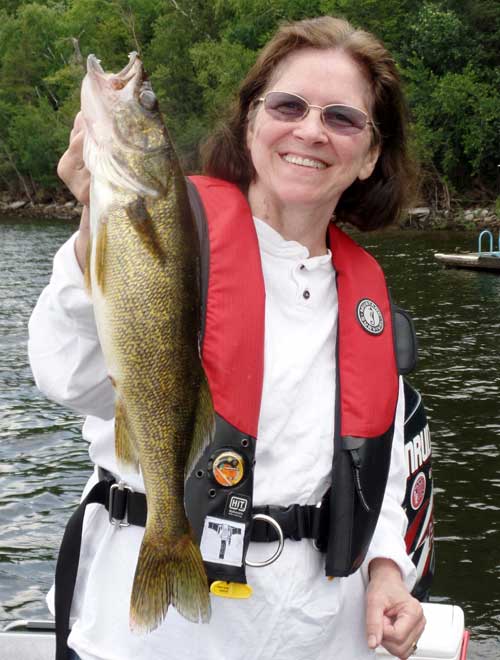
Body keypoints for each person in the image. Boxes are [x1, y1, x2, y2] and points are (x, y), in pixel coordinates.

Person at [29, 15, 426, 660]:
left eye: (343, 118)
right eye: (288, 105)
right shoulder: (170, 235)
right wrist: (92, 227)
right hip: (149, 640)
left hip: (319, 635)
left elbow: (371, 472)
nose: (310, 131)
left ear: (371, 157)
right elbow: (65, 375)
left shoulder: (367, 300)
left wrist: (386, 568)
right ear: (250, 125)